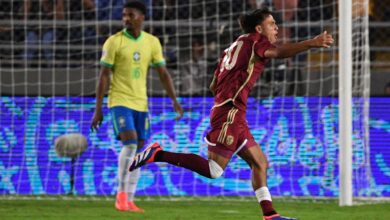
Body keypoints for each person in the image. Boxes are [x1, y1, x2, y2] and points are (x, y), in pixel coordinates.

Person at [130, 7, 333, 220]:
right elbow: (278, 53)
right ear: (258, 28)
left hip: (232, 111)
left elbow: (213, 84)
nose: (276, 27)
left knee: (260, 163)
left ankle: (270, 215)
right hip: (230, 111)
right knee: (214, 170)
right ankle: (158, 154)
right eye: (271, 23)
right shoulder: (256, 41)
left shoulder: (234, 46)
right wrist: (312, 42)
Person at [90, 0, 183, 213]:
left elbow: (163, 74)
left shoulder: (152, 42)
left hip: (141, 103)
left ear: (142, 17)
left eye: (130, 15)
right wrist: (98, 108)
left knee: (139, 149)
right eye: (124, 15)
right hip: (119, 101)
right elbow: (103, 76)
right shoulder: (113, 42)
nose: (126, 19)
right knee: (130, 144)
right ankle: (121, 196)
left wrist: (174, 100)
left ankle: (130, 199)